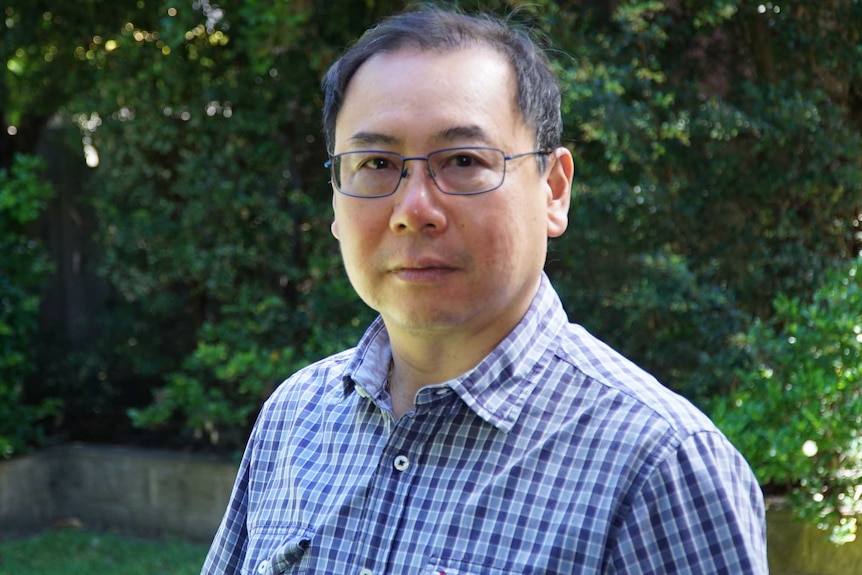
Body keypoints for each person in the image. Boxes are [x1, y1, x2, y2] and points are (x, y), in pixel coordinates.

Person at [201, 6, 768, 574]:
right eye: (375, 162)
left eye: (464, 160)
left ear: (553, 189)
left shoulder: (661, 467)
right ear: (335, 198)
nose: (413, 211)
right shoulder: (295, 417)